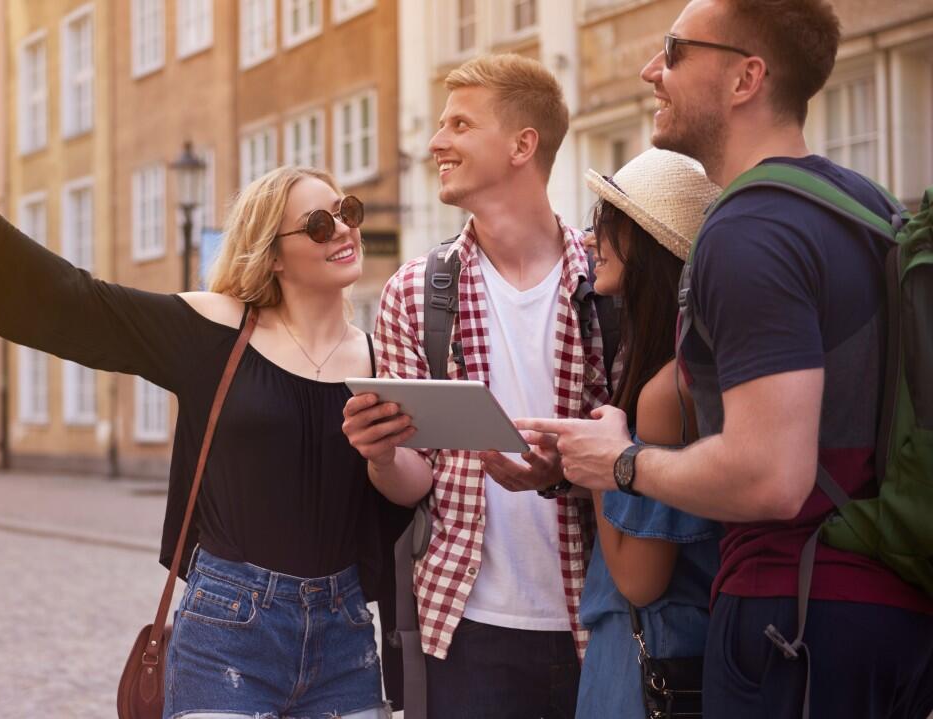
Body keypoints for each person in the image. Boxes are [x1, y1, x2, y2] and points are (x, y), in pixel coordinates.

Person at [516, 1, 933, 716]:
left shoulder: (748, 231)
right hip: (891, 618)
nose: (653, 70)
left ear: (747, 78)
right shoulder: (867, 206)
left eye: (675, 51)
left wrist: (619, 462)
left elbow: (771, 474)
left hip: (792, 626)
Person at [0, 164, 409, 719]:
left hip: (344, 633)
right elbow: (84, 302)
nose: (345, 230)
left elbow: (409, 493)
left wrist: (387, 459)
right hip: (229, 628)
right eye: (320, 225)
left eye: (347, 213)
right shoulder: (214, 330)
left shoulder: (381, 360)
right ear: (273, 254)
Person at [341, 54, 608, 719]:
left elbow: (645, 449)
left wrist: (566, 472)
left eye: (460, 123)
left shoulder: (605, 284)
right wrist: (380, 453)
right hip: (464, 628)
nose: (436, 142)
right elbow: (416, 480)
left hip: (600, 619)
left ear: (523, 145)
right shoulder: (417, 291)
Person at [571, 148, 722, 718]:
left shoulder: (663, 392)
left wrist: (598, 466)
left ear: (646, 245)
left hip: (649, 656)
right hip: (684, 649)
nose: (592, 239)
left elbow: (640, 579)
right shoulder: (691, 371)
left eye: (607, 222)